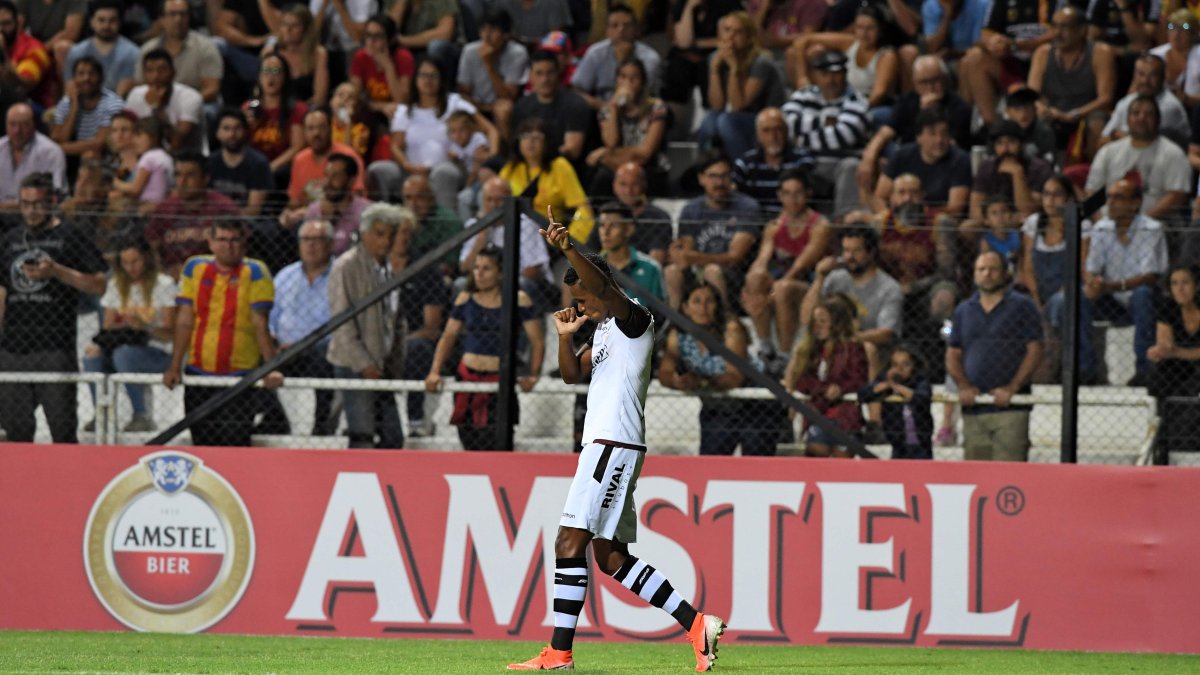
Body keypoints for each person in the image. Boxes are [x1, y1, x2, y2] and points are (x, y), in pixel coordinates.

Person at [506, 209, 725, 673]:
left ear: (599, 285)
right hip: (608, 447)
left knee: (569, 541)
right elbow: (571, 376)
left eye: (582, 297)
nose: (580, 307)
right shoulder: (604, 330)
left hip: (612, 445)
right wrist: (566, 337)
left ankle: (559, 653)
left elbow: (603, 288)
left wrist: (567, 246)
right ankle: (696, 623)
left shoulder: (633, 318)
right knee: (610, 558)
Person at [0, 172, 106, 443]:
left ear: (52, 202)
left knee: (62, 430)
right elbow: (2, 290)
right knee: (16, 431)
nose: (31, 211)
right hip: (13, 348)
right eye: (25, 204)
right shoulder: (11, 239)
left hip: (54, 347)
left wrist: (57, 271)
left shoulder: (70, 234)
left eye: (37, 204)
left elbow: (99, 284)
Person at [163, 220, 284, 447]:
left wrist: (270, 368)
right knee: (201, 442)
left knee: (234, 444)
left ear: (243, 242)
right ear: (210, 243)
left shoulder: (256, 272)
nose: (228, 246)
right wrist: (174, 366)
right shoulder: (194, 268)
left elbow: (260, 323)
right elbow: (184, 319)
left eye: (234, 240)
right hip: (199, 372)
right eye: (222, 240)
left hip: (239, 376)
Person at [424, 244, 544, 450]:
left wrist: (534, 375)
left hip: (501, 381)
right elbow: (448, 337)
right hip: (468, 378)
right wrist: (434, 371)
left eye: (486, 268)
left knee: (499, 443)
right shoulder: (466, 298)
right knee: (468, 441)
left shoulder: (517, 299)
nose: (479, 273)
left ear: (500, 272)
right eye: (476, 267)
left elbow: (537, 341)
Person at [326, 203, 412, 449]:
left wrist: (393, 359)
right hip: (354, 363)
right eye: (380, 233)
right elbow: (341, 322)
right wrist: (363, 363)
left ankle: (387, 482)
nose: (386, 241)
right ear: (364, 233)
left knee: (393, 436)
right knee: (363, 434)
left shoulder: (387, 268)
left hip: (382, 363)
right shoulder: (347, 266)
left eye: (391, 234)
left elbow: (394, 317)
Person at [659, 279, 778, 456]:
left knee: (755, 456)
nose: (703, 308)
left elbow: (734, 376)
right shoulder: (678, 335)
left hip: (753, 400)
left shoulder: (730, 329)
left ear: (717, 306)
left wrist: (702, 383)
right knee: (711, 455)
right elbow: (665, 371)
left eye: (709, 301)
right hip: (718, 403)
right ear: (685, 307)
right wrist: (677, 381)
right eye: (697, 301)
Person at [946, 250, 1043, 462]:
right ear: (974, 274)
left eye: (993, 269)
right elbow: (953, 353)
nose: (987, 274)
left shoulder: (1022, 306)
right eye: (981, 269)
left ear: (1004, 273)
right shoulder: (964, 310)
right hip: (974, 408)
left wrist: (1013, 387)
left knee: (1009, 477)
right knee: (976, 476)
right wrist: (963, 385)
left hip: (1012, 407)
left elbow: (1035, 350)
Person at [371, 58, 500, 208]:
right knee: (378, 169)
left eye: (433, 76)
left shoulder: (454, 103)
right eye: (423, 75)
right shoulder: (405, 110)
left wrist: (492, 155)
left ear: (441, 79)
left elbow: (490, 130)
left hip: (450, 168)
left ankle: (448, 226)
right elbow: (396, 146)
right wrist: (407, 165)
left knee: (442, 172)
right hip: (412, 170)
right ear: (416, 79)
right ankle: (384, 221)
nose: (428, 80)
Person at [82, 237, 176, 433]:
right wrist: (125, 326)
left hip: (158, 351)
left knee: (124, 355)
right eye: (125, 262)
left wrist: (145, 326)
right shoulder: (117, 284)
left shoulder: (164, 284)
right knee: (92, 355)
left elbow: (169, 332)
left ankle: (141, 415)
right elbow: (108, 326)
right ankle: (101, 414)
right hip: (123, 343)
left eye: (135, 261)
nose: (130, 268)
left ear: (147, 259)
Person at [1082, 178, 1168, 385]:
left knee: (1142, 294)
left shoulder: (1151, 228)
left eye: (1118, 198)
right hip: (1110, 300)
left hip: (1144, 300)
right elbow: (1092, 268)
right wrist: (1092, 284)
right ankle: (1085, 369)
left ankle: (1145, 371)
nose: (1110, 203)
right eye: (1109, 197)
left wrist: (1109, 286)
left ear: (1135, 203)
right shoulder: (1101, 228)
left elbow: (1150, 276)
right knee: (1074, 298)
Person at [748, 168, 833, 351]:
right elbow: (761, 261)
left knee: (782, 288)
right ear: (779, 195)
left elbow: (800, 267)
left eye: (798, 193)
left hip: (812, 285)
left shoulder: (820, 226)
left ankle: (785, 355)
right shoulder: (774, 226)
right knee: (756, 278)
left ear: (808, 193)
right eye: (786, 194)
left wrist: (769, 296)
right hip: (782, 282)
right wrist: (752, 286)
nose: (792, 200)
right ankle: (766, 348)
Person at [267, 220, 338, 437]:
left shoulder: (341, 275)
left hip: (323, 350)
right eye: (306, 240)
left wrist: (303, 345)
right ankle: (274, 419)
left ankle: (321, 423)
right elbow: (271, 316)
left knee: (322, 357)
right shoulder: (285, 276)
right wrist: (272, 340)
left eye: (317, 240)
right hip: (283, 350)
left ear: (330, 244)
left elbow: (343, 325)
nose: (311, 245)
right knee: (256, 359)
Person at [781, 50, 870, 217]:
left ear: (845, 74)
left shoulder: (857, 99)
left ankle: (844, 224)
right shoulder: (804, 95)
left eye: (837, 74)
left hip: (838, 163)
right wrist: (824, 122)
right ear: (815, 75)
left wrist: (802, 136)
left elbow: (843, 137)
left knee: (851, 165)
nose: (831, 80)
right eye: (825, 74)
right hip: (805, 162)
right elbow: (785, 124)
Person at [786, 294, 870, 458]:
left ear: (837, 323)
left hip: (845, 415)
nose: (817, 327)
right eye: (815, 322)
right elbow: (802, 381)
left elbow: (859, 378)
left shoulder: (852, 348)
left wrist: (841, 388)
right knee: (817, 448)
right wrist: (824, 389)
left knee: (841, 457)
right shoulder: (810, 349)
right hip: (818, 412)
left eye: (823, 321)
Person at [1026, 6, 1116, 152]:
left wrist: (1073, 115)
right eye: (1054, 26)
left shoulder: (1100, 52)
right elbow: (1032, 95)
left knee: (1097, 121)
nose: (1057, 33)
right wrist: (1043, 109)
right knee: (1025, 116)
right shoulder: (1042, 53)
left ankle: (1093, 171)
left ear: (1082, 30)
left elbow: (1105, 99)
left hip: (1086, 114)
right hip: (1053, 113)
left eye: (1064, 27)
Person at [698, 10, 786, 160]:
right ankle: (705, 169)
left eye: (738, 32)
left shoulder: (761, 62)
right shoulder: (715, 58)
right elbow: (717, 105)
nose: (730, 37)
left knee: (726, 121)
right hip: (736, 117)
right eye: (727, 30)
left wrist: (734, 69)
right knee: (710, 119)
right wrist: (714, 70)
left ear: (748, 38)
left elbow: (739, 105)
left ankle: (745, 168)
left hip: (765, 120)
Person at [1086, 99, 1190, 223]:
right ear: (1127, 120)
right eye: (1136, 113)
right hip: (1110, 228)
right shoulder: (1108, 151)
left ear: (1158, 120)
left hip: (1157, 228)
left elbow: (1177, 196)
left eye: (1148, 114)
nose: (1141, 118)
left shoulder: (1173, 154)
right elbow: (1091, 193)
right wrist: (1102, 225)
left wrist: (1140, 223)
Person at [145, 153, 243, 278]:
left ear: (205, 179)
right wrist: (163, 274)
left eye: (190, 175)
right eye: (178, 175)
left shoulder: (223, 207)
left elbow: (237, 249)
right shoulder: (165, 209)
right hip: (171, 280)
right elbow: (151, 248)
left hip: (216, 278)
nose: (182, 182)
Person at [789, 5, 898, 117]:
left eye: (870, 28)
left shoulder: (887, 55)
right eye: (860, 28)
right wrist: (802, 76)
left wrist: (850, 113)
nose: (864, 34)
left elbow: (878, 94)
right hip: (842, 100)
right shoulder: (850, 43)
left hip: (870, 107)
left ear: (880, 29)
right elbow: (803, 40)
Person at [585, 57, 670, 198]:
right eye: (623, 77)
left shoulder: (657, 108)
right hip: (618, 165)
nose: (628, 83)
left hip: (649, 166)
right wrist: (613, 108)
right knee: (600, 175)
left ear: (643, 81)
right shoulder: (608, 110)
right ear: (616, 80)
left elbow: (645, 153)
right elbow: (611, 142)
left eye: (634, 77)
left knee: (621, 169)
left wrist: (605, 152)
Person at [501, 116, 594, 243]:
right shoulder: (511, 168)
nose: (530, 141)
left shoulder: (559, 166)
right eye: (525, 136)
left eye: (537, 136)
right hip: (514, 236)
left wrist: (569, 242)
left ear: (547, 142)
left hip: (548, 239)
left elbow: (583, 208)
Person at [871, 109, 971, 217]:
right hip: (897, 221)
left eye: (944, 133)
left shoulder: (960, 160)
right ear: (919, 137)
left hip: (937, 224)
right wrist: (891, 222)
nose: (939, 140)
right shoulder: (902, 155)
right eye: (932, 134)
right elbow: (880, 197)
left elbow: (955, 209)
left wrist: (916, 216)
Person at [1147, 264, 1200, 452]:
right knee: (1160, 375)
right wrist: (1159, 351)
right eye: (1174, 283)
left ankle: (1184, 438)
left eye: (1185, 283)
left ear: (1197, 285)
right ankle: (1164, 435)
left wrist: (1176, 351)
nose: (1179, 288)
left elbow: (1174, 350)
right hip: (1180, 366)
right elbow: (1165, 345)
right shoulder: (1168, 307)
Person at [571, 3, 661, 107]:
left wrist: (623, 59)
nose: (621, 30)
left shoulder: (650, 58)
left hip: (639, 111)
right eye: (614, 25)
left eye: (627, 25)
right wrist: (605, 108)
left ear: (636, 29)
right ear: (607, 31)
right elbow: (577, 90)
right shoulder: (595, 53)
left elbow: (648, 95)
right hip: (599, 109)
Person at [456, 7, 527, 136]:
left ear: (506, 34)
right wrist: (481, 107)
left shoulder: (518, 53)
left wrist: (488, 64)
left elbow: (508, 96)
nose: (487, 36)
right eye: (483, 30)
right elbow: (464, 90)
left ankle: (506, 153)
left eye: (493, 30)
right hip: (476, 105)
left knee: (503, 109)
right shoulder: (470, 51)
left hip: (501, 106)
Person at [134, 0, 221, 104]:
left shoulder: (205, 47)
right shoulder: (148, 49)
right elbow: (140, 85)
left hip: (197, 102)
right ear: (161, 19)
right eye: (172, 14)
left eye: (183, 14)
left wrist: (185, 106)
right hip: (157, 102)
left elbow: (212, 89)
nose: (178, 19)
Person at [857, 343, 934, 459]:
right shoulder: (886, 382)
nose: (900, 369)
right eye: (895, 365)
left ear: (914, 366)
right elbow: (863, 394)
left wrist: (898, 388)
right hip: (898, 441)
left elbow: (922, 397)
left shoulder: (919, 381)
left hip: (921, 442)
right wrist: (886, 384)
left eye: (906, 364)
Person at [510, 49, 591, 159]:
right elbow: (518, 144)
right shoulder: (522, 106)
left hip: (563, 167)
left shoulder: (574, 104)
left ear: (558, 74)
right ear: (530, 76)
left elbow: (572, 151)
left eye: (550, 73)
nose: (545, 80)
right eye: (539, 73)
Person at [732, 107, 815, 213]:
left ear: (786, 131)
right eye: (766, 131)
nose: (773, 136)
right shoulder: (745, 164)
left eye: (778, 129)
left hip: (793, 222)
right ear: (758, 135)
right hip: (755, 223)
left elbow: (807, 198)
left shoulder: (802, 160)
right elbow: (733, 198)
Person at [969, 119, 1054, 222]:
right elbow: (975, 209)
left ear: (1021, 145)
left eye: (1011, 142)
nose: (1005, 149)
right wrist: (999, 221)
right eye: (1000, 143)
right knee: (968, 227)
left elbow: (1028, 210)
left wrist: (1018, 173)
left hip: (1028, 227)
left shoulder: (1039, 168)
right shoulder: (987, 167)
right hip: (992, 223)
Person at [244, 52, 307, 188]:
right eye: (266, 71)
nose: (270, 76)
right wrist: (243, 127)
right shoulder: (249, 107)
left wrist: (271, 167)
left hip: (281, 169)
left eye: (276, 71)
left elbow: (298, 146)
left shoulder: (297, 108)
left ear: (285, 77)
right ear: (259, 77)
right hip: (253, 167)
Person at [124, 49, 206, 153]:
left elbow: (176, 143)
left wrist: (156, 107)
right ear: (144, 74)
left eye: (162, 70)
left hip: (184, 158)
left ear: (173, 72)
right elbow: (127, 130)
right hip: (143, 156)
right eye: (150, 71)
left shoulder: (191, 97)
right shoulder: (136, 94)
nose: (156, 76)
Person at [1101, 53, 1189, 149]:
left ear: (1163, 78)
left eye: (1152, 75)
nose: (1145, 81)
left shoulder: (1170, 106)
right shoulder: (1126, 102)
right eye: (1141, 74)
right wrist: (1115, 136)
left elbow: (1146, 143)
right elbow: (1103, 139)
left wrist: (1117, 137)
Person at [50, 56, 124, 159]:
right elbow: (59, 139)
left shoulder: (113, 103)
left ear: (101, 78)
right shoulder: (66, 102)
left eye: (92, 74)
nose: (86, 78)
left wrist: (57, 149)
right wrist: (74, 108)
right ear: (74, 79)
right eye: (81, 74)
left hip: (104, 159)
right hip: (69, 158)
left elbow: (99, 144)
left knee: (90, 155)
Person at [63, 0, 138, 97]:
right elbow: (69, 91)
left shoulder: (132, 53)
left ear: (120, 22)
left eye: (112, 20)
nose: (106, 26)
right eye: (101, 20)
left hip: (116, 108)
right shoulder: (77, 52)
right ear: (91, 22)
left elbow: (122, 96)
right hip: (81, 107)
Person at [207, 107, 272, 218]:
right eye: (226, 129)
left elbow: (253, 211)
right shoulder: (210, 162)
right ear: (217, 133)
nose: (232, 134)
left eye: (237, 128)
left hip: (247, 225)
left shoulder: (258, 164)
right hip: (213, 223)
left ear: (246, 131)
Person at [0, 102, 67, 210]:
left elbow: (54, 196)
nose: (17, 131)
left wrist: (6, 207)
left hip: (35, 215)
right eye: (12, 124)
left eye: (24, 125)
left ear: (33, 125)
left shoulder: (51, 152)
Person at [304, 153, 374, 255]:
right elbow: (311, 253)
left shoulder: (367, 212)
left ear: (351, 180)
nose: (328, 182)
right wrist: (324, 222)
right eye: (326, 175)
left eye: (335, 176)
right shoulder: (314, 211)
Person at [262, 5, 328, 105]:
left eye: (295, 25)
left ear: (306, 29)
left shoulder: (318, 54)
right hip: (278, 111)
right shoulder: (270, 53)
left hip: (307, 111)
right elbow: (263, 90)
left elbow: (319, 98)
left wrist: (299, 112)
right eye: (285, 24)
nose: (288, 30)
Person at [350, 15, 414, 117]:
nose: (371, 41)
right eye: (368, 35)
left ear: (390, 39)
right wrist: (382, 107)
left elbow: (402, 101)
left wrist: (388, 67)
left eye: (378, 36)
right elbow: (354, 98)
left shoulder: (403, 57)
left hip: (396, 113)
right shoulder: (360, 57)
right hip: (370, 112)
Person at [108, 116, 173, 216]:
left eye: (125, 130)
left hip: (147, 208)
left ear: (152, 137)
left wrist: (116, 182)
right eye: (114, 130)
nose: (134, 140)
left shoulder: (147, 157)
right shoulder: (164, 156)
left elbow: (135, 188)